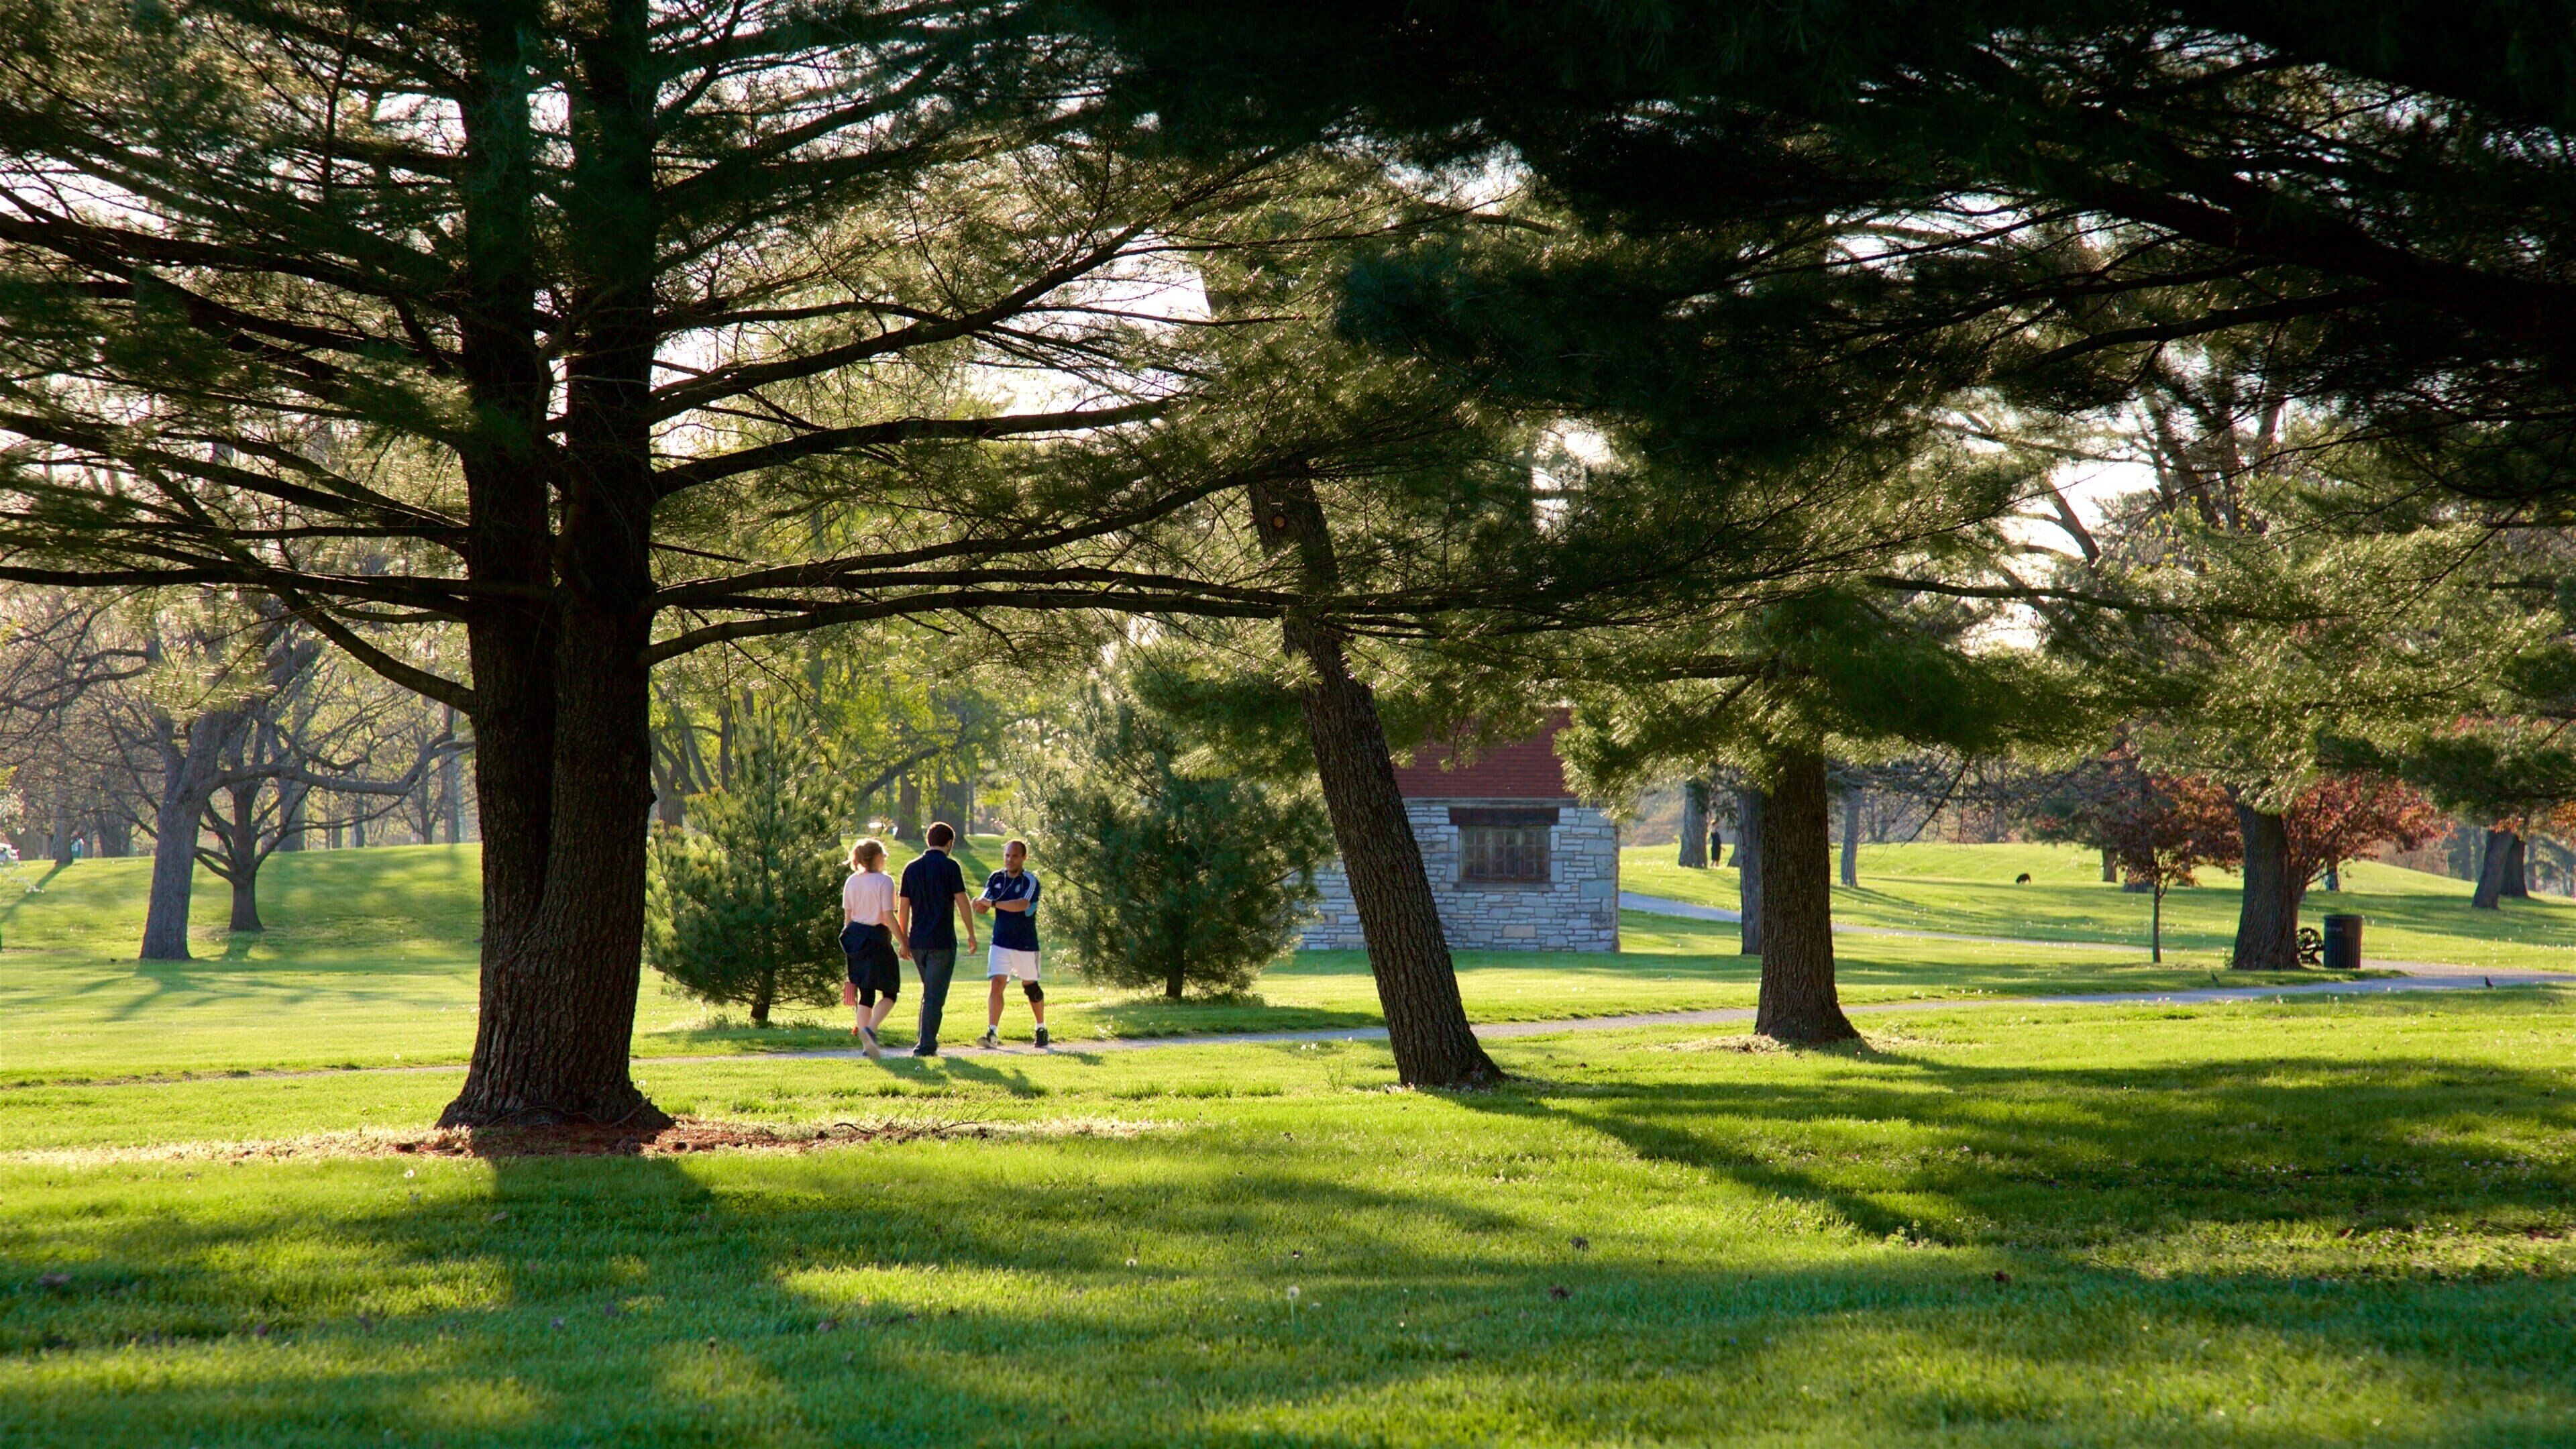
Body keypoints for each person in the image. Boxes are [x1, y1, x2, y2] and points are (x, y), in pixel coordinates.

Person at [896, 820, 976, 1057]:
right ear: (950, 843)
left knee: (929, 992)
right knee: (934, 996)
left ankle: (925, 1040)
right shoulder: (951, 867)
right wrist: (971, 933)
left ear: (928, 841)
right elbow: (962, 902)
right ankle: (925, 1046)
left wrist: (903, 940)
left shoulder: (911, 868)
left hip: (918, 942)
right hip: (942, 941)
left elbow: (903, 908)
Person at [971, 838, 1048, 1049]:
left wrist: (994, 903)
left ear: (1024, 857)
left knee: (1030, 986)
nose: (1010, 859)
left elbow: (1023, 905)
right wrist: (978, 904)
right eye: (1007, 855)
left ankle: (1041, 1027)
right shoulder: (995, 878)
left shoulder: (1030, 881)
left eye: (1015, 856)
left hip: (1025, 944)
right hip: (1000, 942)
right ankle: (992, 1032)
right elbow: (984, 904)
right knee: (997, 983)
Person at [839, 838, 908, 1059]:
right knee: (890, 992)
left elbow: (847, 919)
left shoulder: (852, 881)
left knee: (865, 994)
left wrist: (849, 950)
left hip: (854, 938)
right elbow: (888, 916)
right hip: (877, 937)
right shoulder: (884, 882)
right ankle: (871, 1029)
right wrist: (903, 942)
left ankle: (865, 1043)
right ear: (878, 857)